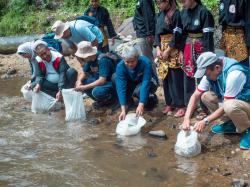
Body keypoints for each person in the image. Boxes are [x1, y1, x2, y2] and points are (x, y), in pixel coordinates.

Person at [182, 52, 250, 150]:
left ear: (217, 68)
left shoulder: (234, 74)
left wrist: (205, 121)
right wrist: (186, 118)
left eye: (207, 74)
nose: (206, 76)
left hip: (246, 103)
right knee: (206, 97)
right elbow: (195, 95)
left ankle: (247, 130)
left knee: (229, 106)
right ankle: (233, 124)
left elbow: (226, 105)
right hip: (237, 102)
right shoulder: (212, 70)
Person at [180, 0, 215, 118]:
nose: (182, 4)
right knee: (187, 75)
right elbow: (182, 34)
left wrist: (208, 55)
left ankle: (203, 108)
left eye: (183, 1)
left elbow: (208, 37)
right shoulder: (183, 12)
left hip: (202, 46)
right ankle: (189, 105)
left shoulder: (204, 12)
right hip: (188, 45)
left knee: (202, 76)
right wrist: (181, 51)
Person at [154, 0, 185, 117]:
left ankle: (180, 105)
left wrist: (168, 50)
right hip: (162, 49)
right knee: (165, 77)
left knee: (175, 78)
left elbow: (178, 33)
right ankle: (169, 103)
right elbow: (157, 33)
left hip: (173, 49)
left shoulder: (176, 14)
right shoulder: (159, 15)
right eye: (157, 3)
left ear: (167, 1)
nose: (158, 5)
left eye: (159, 3)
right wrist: (158, 49)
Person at [115, 46, 158, 121]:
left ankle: (151, 98)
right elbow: (120, 87)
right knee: (114, 78)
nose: (130, 64)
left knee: (139, 91)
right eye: (127, 62)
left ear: (137, 58)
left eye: (132, 61)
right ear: (123, 60)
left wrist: (141, 104)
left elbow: (146, 83)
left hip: (149, 82)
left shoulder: (145, 62)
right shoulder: (120, 66)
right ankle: (129, 101)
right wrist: (123, 108)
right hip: (134, 81)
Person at [74, 41, 117, 109]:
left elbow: (102, 80)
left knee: (96, 92)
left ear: (88, 55)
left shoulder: (102, 60)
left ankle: (112, 100)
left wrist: (84, 87)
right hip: (99, 79)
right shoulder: (90, 59)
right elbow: (83, 72)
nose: (82, 58)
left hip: (110, 83)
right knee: (83, 81)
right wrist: (79, 81)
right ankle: (101, 101)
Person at [219, 0, 250, 64]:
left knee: (241, 64)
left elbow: (248, 20)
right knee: (227, 63)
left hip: (239, 36)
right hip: (226, 35)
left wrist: (248, 43)